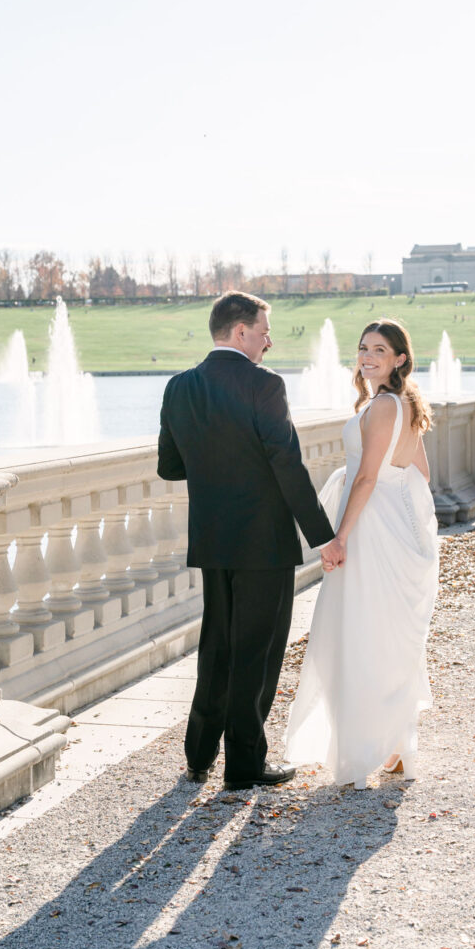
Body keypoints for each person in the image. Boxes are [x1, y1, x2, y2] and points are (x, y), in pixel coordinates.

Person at [157, 291, 344, 791]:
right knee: (256, 653)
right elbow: (287, 463)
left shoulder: (179, 387)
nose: (269, 340)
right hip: (263, 543)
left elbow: (169, 465)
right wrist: (323, 536)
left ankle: (198, 754)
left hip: (213, 540)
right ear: (240, 332)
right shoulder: (265, 384)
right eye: (264, 330)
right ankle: (244, 763)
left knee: (217, 645)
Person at [284, 318, 439, 789]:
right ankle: (392, 747)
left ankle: (365, 749)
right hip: (390, 526)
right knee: (382, 634)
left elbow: (368, 478)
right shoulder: (404, 405)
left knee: (359, 633)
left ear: (400, 359)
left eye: (379, 349)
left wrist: (342, 537)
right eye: (363, 348)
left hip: (371, 530)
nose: (368, 356)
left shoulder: (383, 408)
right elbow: (422, 474)